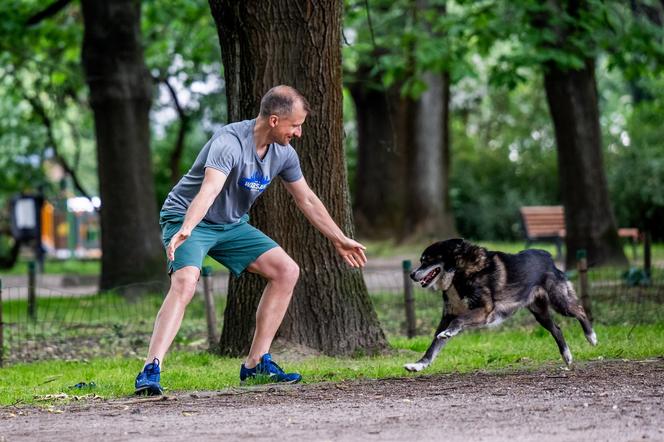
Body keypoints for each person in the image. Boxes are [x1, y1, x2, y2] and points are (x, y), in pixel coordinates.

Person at [134, 85, 368, 395]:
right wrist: (188, 228)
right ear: (274, 120)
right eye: (295, 125)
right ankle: (151, 369)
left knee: (287, 271)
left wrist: (339, 238)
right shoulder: (228, 143)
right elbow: (210, 190)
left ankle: (256, 363)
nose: (298, 133)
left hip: (231, 225)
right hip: (188, 219)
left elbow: (307, 199)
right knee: (186, 282)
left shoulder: (284, 154)